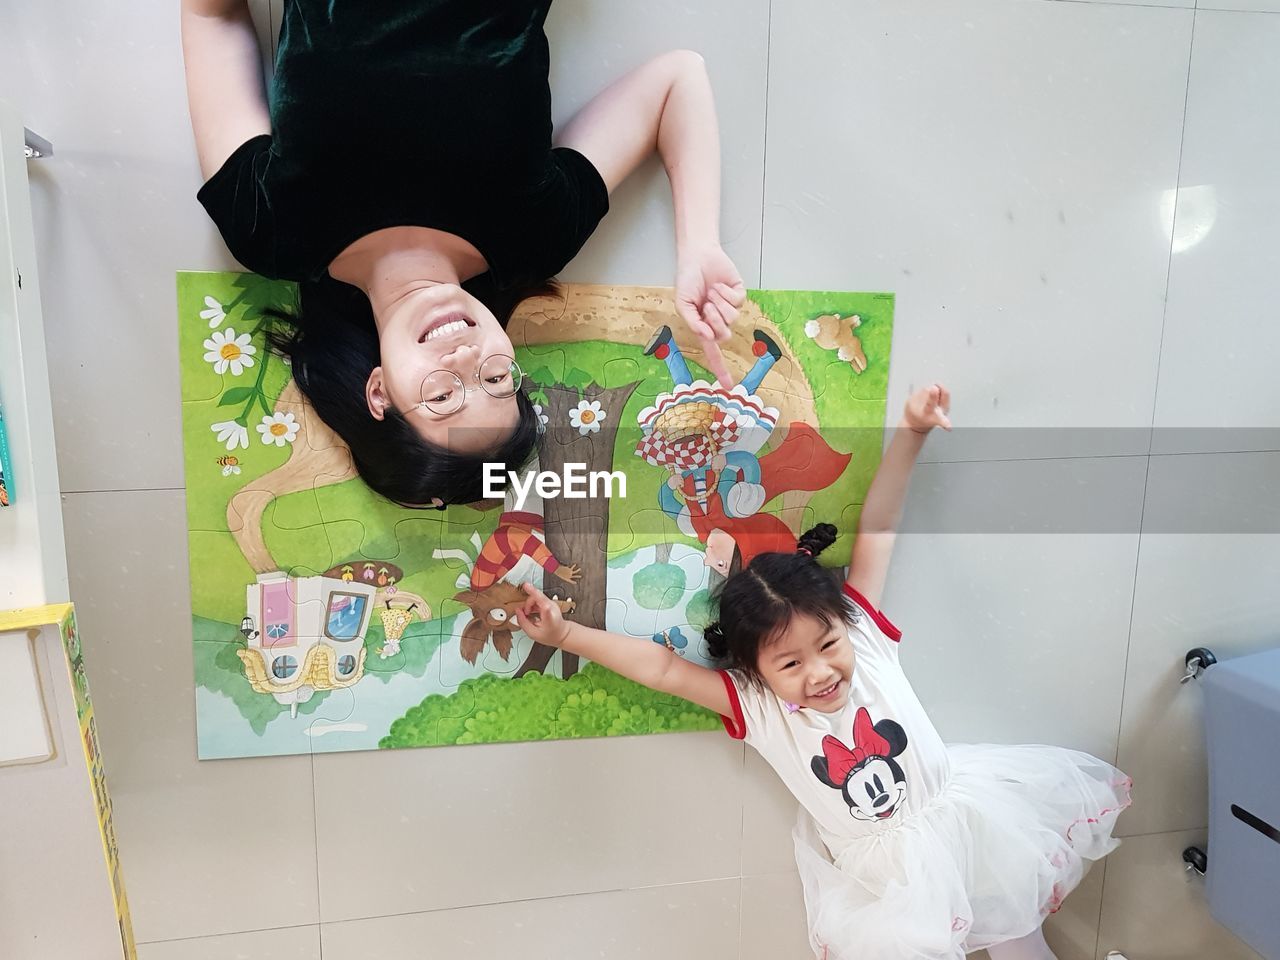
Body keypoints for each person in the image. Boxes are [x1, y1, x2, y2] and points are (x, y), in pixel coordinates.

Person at [517, 383, 1132, 960]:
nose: (820, 671)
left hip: (967, 823)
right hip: (888, 879)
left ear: (844, 622)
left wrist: (912, 431)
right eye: (790, 662)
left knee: (1020, 939)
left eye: (827, 644)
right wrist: (566, 633)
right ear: (756, 668)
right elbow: (661, 668)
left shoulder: (864, 632)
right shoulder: (754, 704)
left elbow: (880, 528)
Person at [181, 0, 745, 506]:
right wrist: (699, 244)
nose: (467, 360)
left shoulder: (272, 233)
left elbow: (213, 17)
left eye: (443, 395)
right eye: (498, 379)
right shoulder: (535, 237)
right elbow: (678, 79)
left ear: (380, 390)